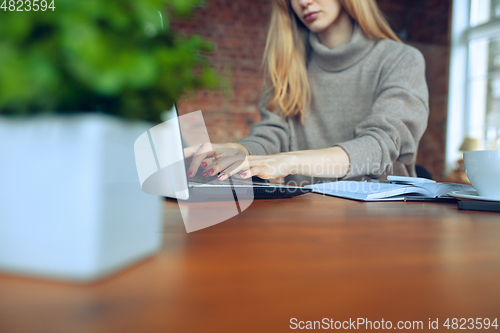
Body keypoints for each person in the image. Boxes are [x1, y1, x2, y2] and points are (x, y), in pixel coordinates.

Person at [185, 0, 429, 186]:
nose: (303, 2)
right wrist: (241, 151)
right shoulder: (288, 67)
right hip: (307, 216)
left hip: (385, 220)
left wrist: (289, 160)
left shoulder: (401, 60)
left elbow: (380, 147)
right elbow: (272, 135)